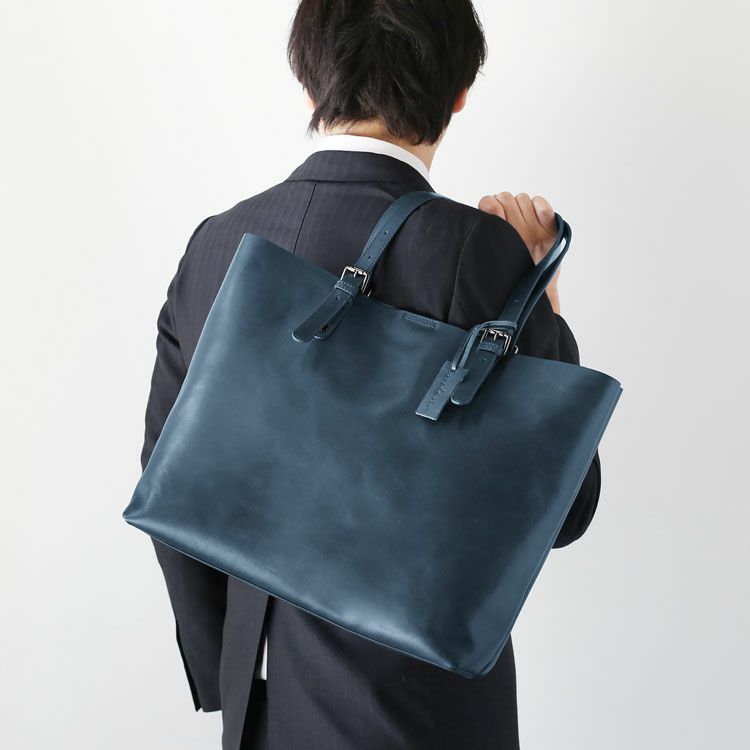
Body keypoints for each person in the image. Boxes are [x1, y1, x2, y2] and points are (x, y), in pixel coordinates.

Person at [139, 1, 602, 748]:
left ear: (308, 80)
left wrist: (226, 672)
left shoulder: (216, 243)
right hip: (419, 712)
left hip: (260, 707)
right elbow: (561, 508)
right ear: (459, 91)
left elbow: (169, 471)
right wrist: (542, 303)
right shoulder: (478, 251)